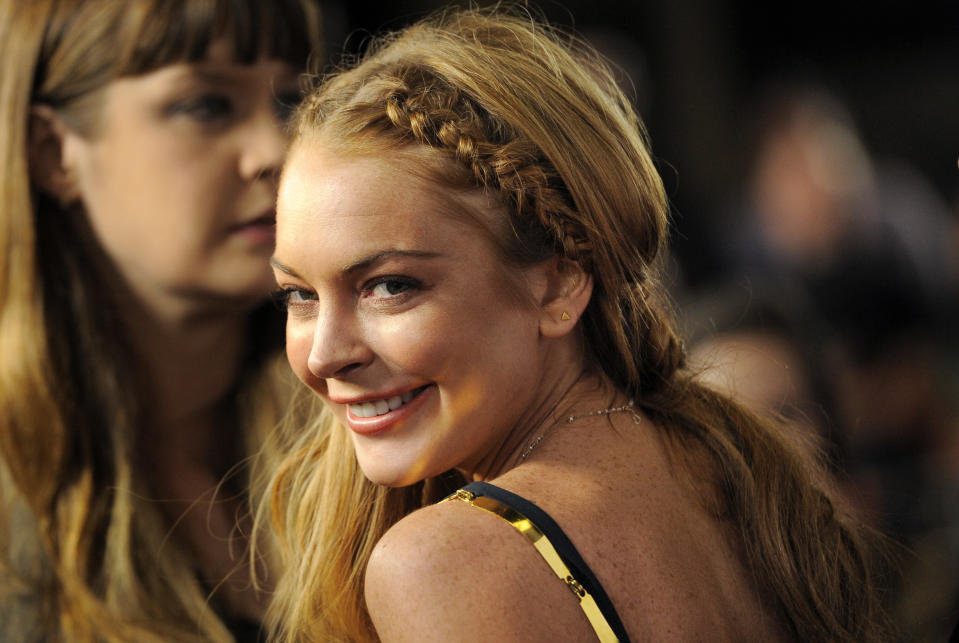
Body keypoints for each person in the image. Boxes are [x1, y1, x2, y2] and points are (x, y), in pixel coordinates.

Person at [265, 7, 893, 642]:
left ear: (559, 285)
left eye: (390, 286)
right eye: (298, 294)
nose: (323, 354)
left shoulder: (444, 559)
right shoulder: (739, 467)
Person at [0, 1, 321, 640]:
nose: (275, 150)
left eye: (289, 103)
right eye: (206, 105)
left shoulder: (369, 426)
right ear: (53, 152)